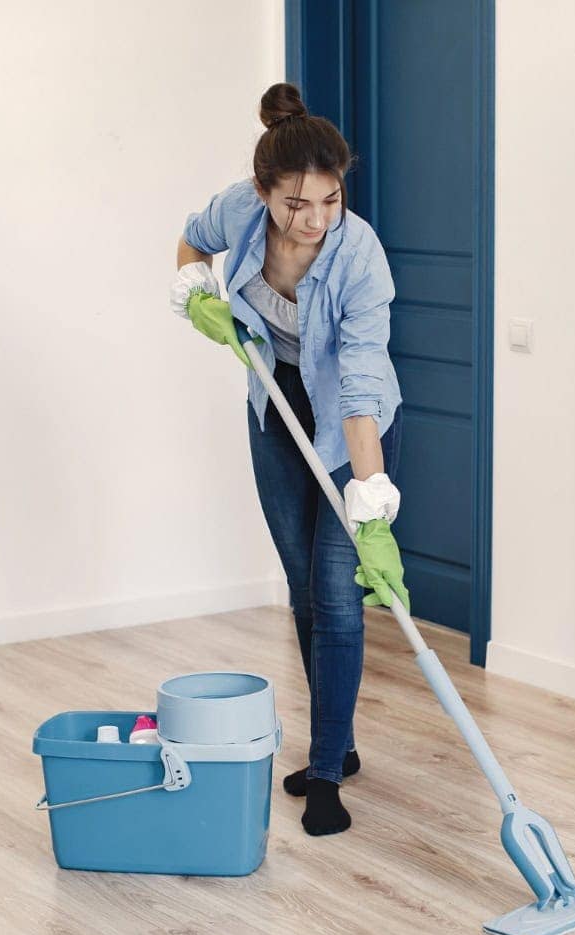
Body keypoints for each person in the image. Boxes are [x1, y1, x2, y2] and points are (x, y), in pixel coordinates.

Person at [169, 83, 407, 836]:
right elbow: (189, 237)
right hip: (275, 410)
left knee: (339, 595)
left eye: (330, 202)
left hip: (352, 427)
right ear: (262, 190)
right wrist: (196, 290)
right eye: (294, 204)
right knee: (305, 591)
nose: (313, 222)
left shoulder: (359, 255)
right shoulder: (237, 212)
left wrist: (371, 503)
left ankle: (327, 769)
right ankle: (342, 737)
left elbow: (362, 381)